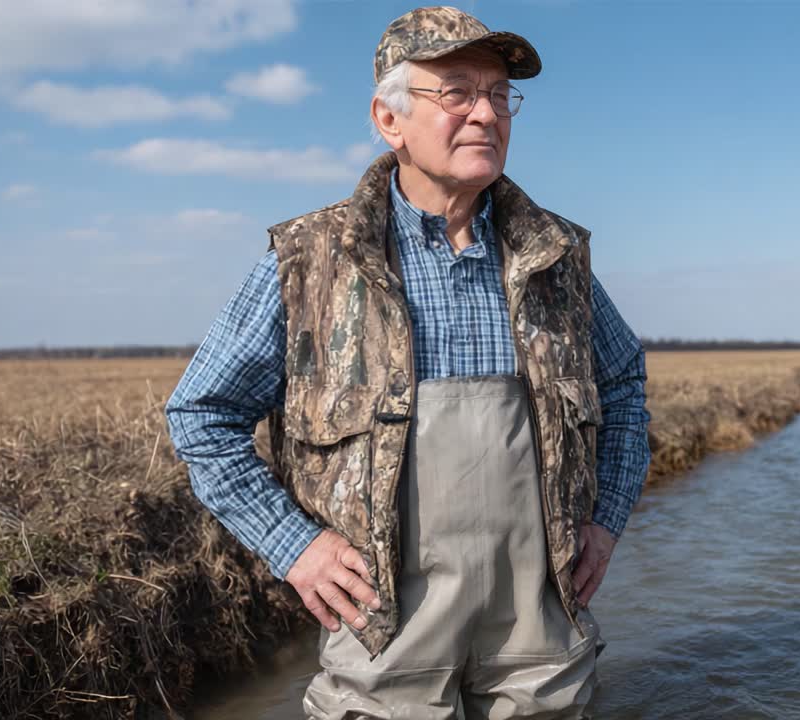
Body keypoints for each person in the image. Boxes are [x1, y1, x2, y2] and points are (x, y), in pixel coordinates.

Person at [163, 6, 652, 718]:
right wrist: (293, 546)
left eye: (498, 94)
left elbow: (625, 387)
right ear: (389, 121)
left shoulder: (556, 258)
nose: (486, 113)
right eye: (456, 91)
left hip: (541, 645)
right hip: (385, 643)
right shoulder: (308, 262)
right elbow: (202, 416)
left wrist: (605, 520)